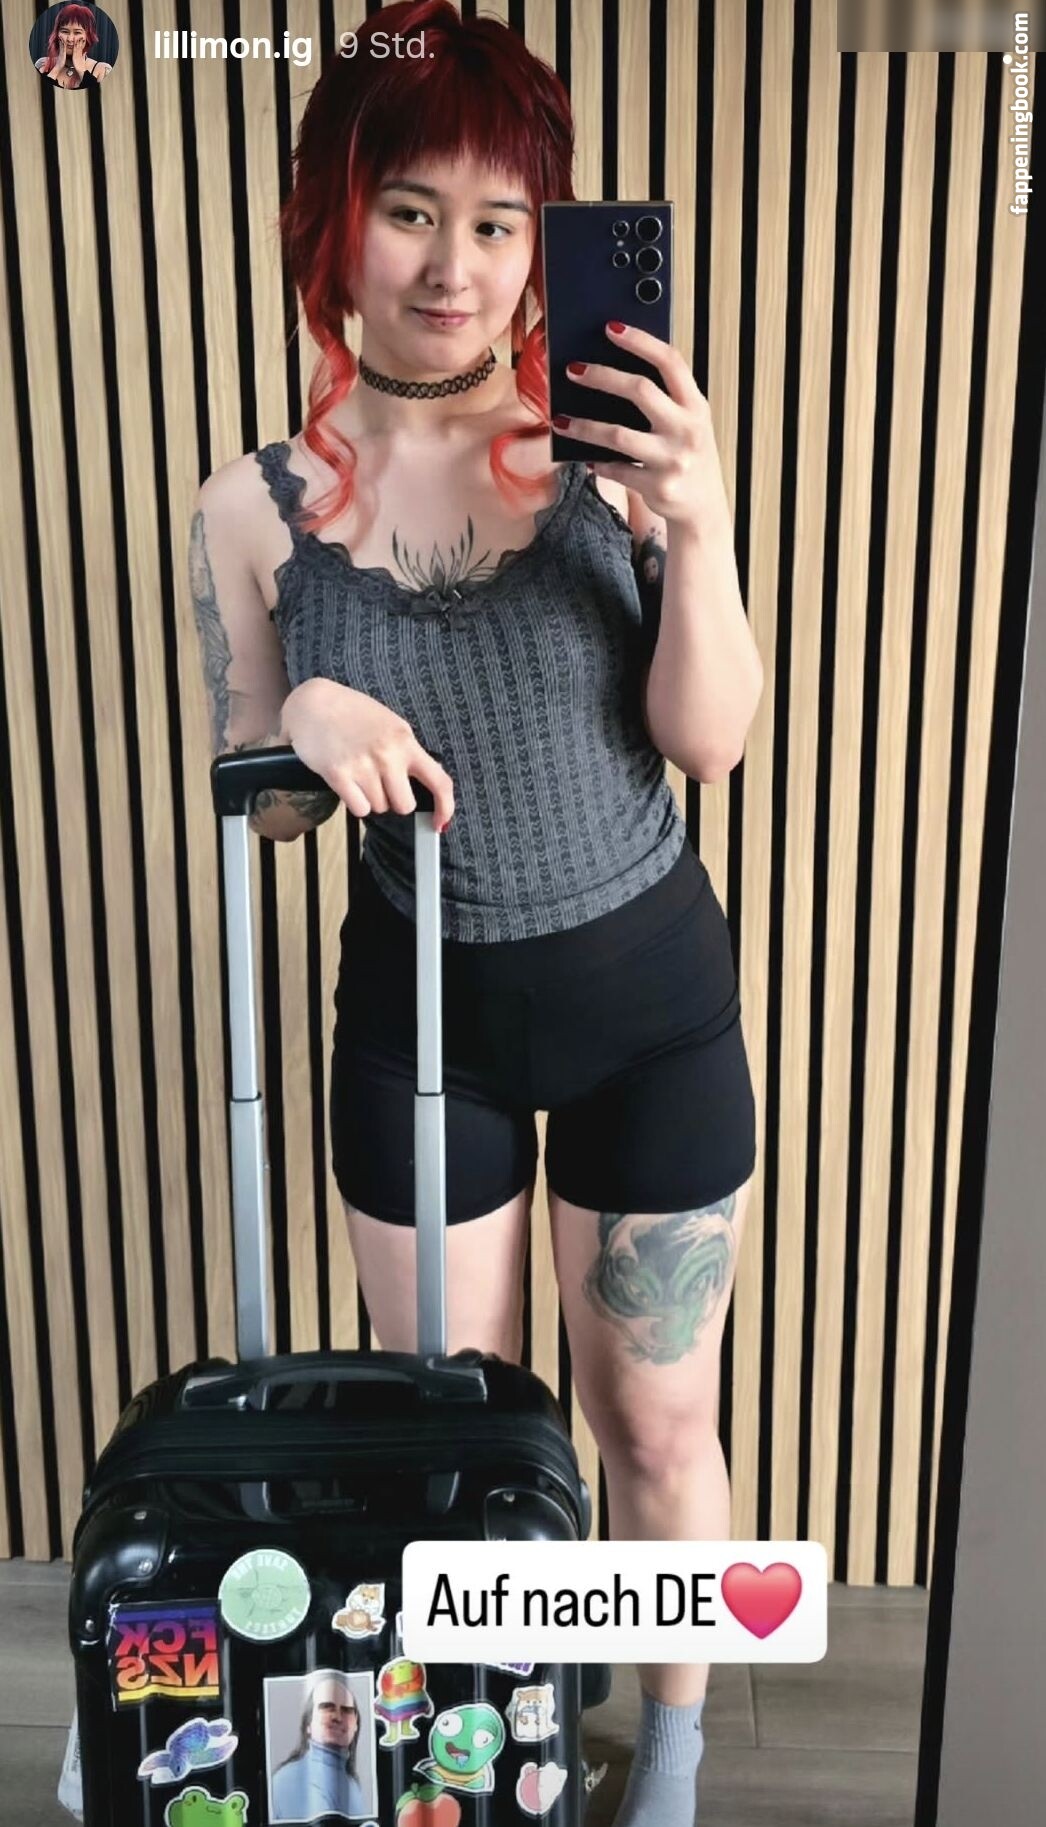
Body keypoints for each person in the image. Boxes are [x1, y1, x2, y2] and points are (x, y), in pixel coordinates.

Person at [189, 4, 763, 1824]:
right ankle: (492, 1747)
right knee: (462, 1433)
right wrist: (303, 709)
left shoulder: (606, 452)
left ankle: (667, 1756)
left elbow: (709, 740)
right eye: (410, 209)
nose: (454, 263)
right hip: (416, 1027)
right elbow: (264, 803)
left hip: (647, 1003)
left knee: (654, 1423)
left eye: (499, 220)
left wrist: (699, 524)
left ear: (540, 243)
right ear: (334, 221)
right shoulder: (251, 510)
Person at [270, 1672, 368, 1820]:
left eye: (346, 1710)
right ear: (308, 1724)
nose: (337, 1717)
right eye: (327, 1707)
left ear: (356, 1725)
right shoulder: (291, 1779)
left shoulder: (352, 1784)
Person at [36, 3, 113, 89]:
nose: (70, 39)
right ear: (57, 34)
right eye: (65, 31)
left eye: (77, 32)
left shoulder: (102, 70)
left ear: (88, 36)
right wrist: (57, 67)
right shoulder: (42, 65)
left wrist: (81, 70)